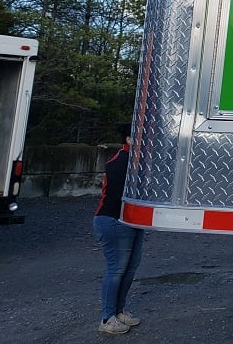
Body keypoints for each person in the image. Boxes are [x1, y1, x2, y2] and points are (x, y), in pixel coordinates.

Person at [93, 124, 144, 335]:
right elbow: (117, 194)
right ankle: (107, 318)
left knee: (130, 268)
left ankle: (118, 312)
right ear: (129, 139)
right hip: (114, 220)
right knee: (116, 270)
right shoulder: (120, 162)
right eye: (140, 137)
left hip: (132, 221)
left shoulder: (136, 161)